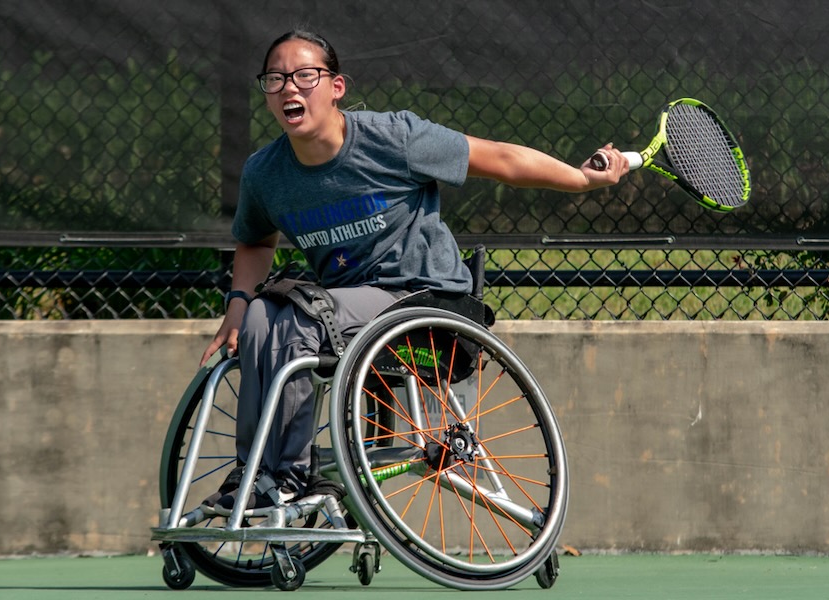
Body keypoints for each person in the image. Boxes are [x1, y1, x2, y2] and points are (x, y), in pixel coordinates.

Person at [199, 29, 630, 510]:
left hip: (424, 302)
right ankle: (253, 472)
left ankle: (288, 476)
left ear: (336, 87)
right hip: (342, 312)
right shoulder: (265, 173)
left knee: (299, 315)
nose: (289, 88)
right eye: (276, 79)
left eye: (304, 76)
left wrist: (580, 179)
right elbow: (255, 241)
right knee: (262, 316)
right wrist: (237, 306)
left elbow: (500, 158)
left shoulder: (394, 138)